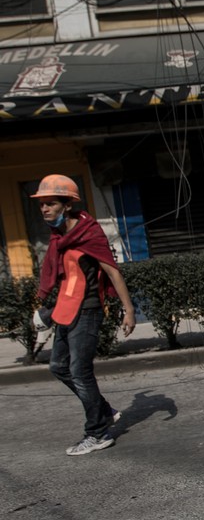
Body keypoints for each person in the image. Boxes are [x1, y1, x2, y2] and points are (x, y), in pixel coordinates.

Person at [31, 174, 136, 456]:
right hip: (66, 310)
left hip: (87, 311)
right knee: (59, 367)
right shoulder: (59, 237)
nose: (44, 209)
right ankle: (103, 410)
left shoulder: (88, 232)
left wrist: (129, 310)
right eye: (41, 204)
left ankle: (98, 433)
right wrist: (44, 309)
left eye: (50, 203)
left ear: (67, 205)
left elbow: (113, 271)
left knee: (79, 371)